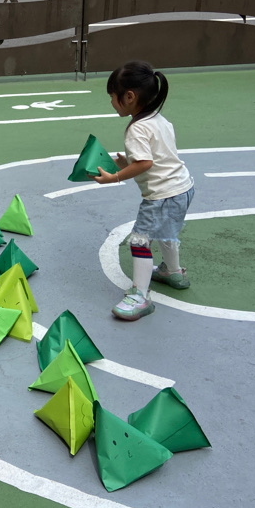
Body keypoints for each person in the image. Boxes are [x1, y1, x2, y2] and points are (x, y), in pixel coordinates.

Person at [92, 61, 194, 321]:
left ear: (129, 97)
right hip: (182, 188)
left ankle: (140, 296)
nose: (111, 102)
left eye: (112, 96)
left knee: (139, 241)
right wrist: (127, 162)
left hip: (161, 196)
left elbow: (145, 163)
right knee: (167, 232)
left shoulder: (136, 128)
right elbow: (158, 157)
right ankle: (173, 272)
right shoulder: (159, 120)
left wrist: (115, 177)